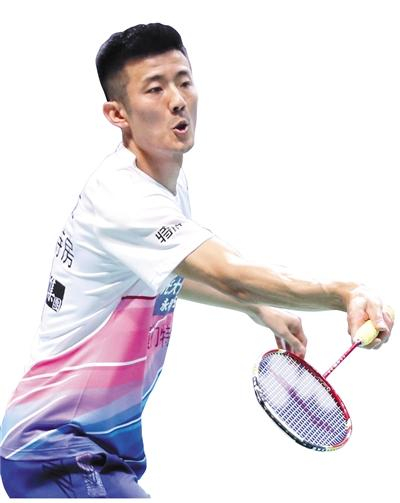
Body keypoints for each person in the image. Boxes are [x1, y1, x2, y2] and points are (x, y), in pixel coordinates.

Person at [0, 23, 393, 498]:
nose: (177, 100)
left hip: (102, 450)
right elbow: (231, 274)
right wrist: (343, 292)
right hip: (53, 445)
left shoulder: (163, 186)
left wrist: (253, 307)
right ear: (117, 113)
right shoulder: (124, 197)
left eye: (184, 81)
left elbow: (166, 276)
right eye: (155, 88)